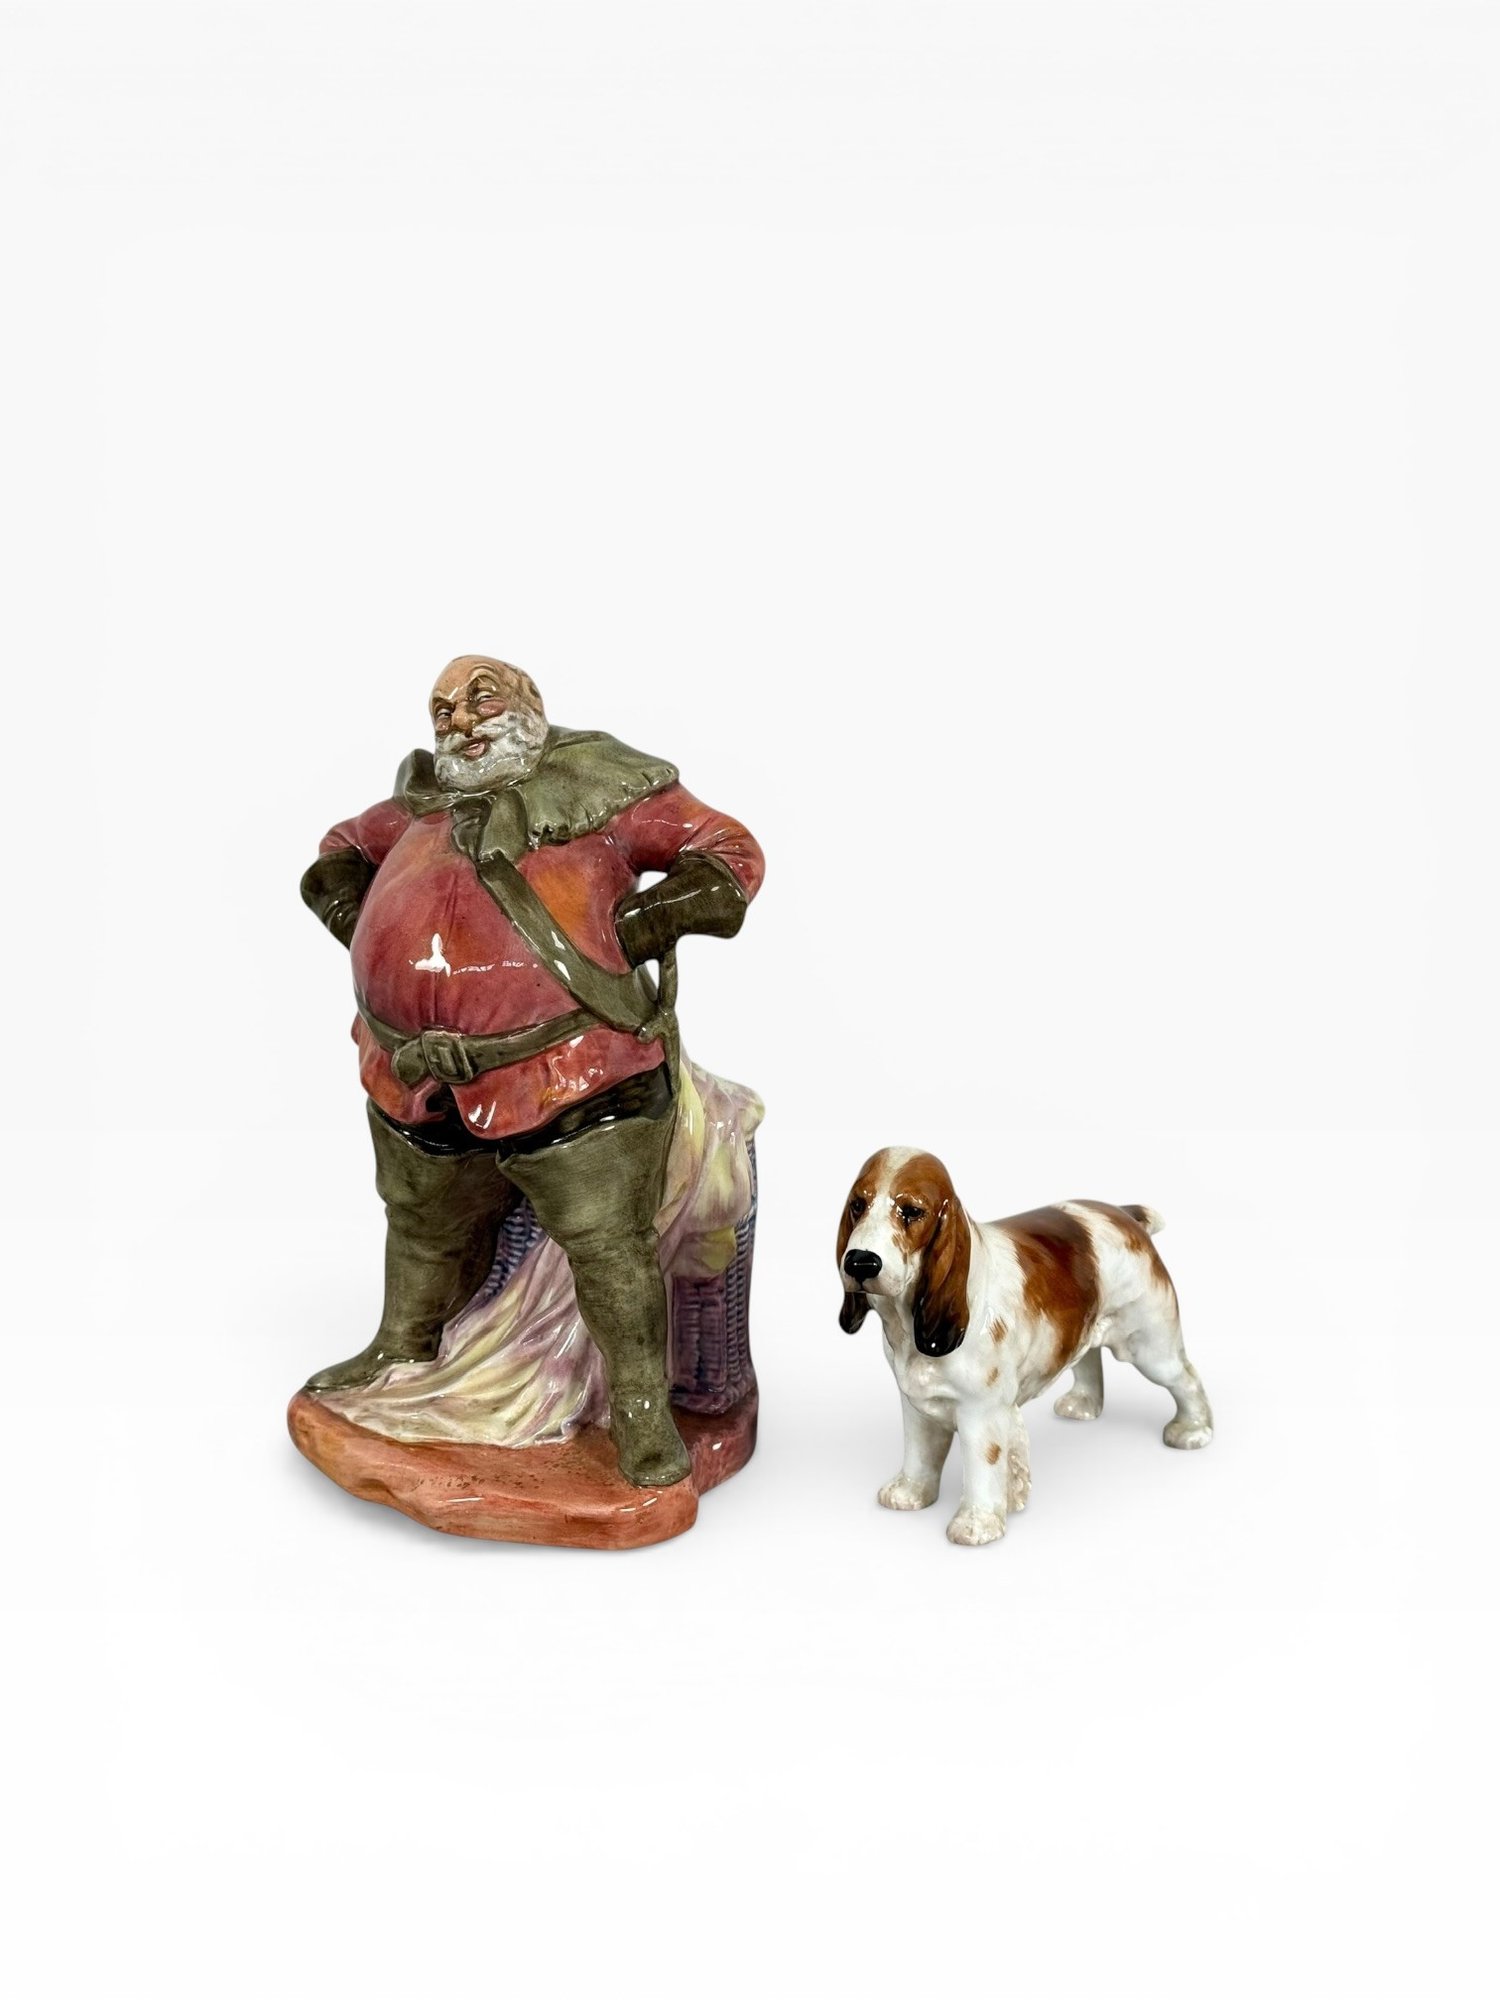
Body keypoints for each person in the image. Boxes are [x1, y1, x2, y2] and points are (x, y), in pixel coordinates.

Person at [300, 655, 764, 1485]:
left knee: (607, 1244)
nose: (457, 719)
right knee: (418, 1221)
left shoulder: (608, 786)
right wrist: (360, 917)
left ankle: (639, 1408)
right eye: (442, 707)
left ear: (530, 703)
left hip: (575, 1068)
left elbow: (729, 853)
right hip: (412, 1070)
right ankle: (402, 1346)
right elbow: (339, 850)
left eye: (479, 697)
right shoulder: (420, 803)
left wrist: (638, 925)